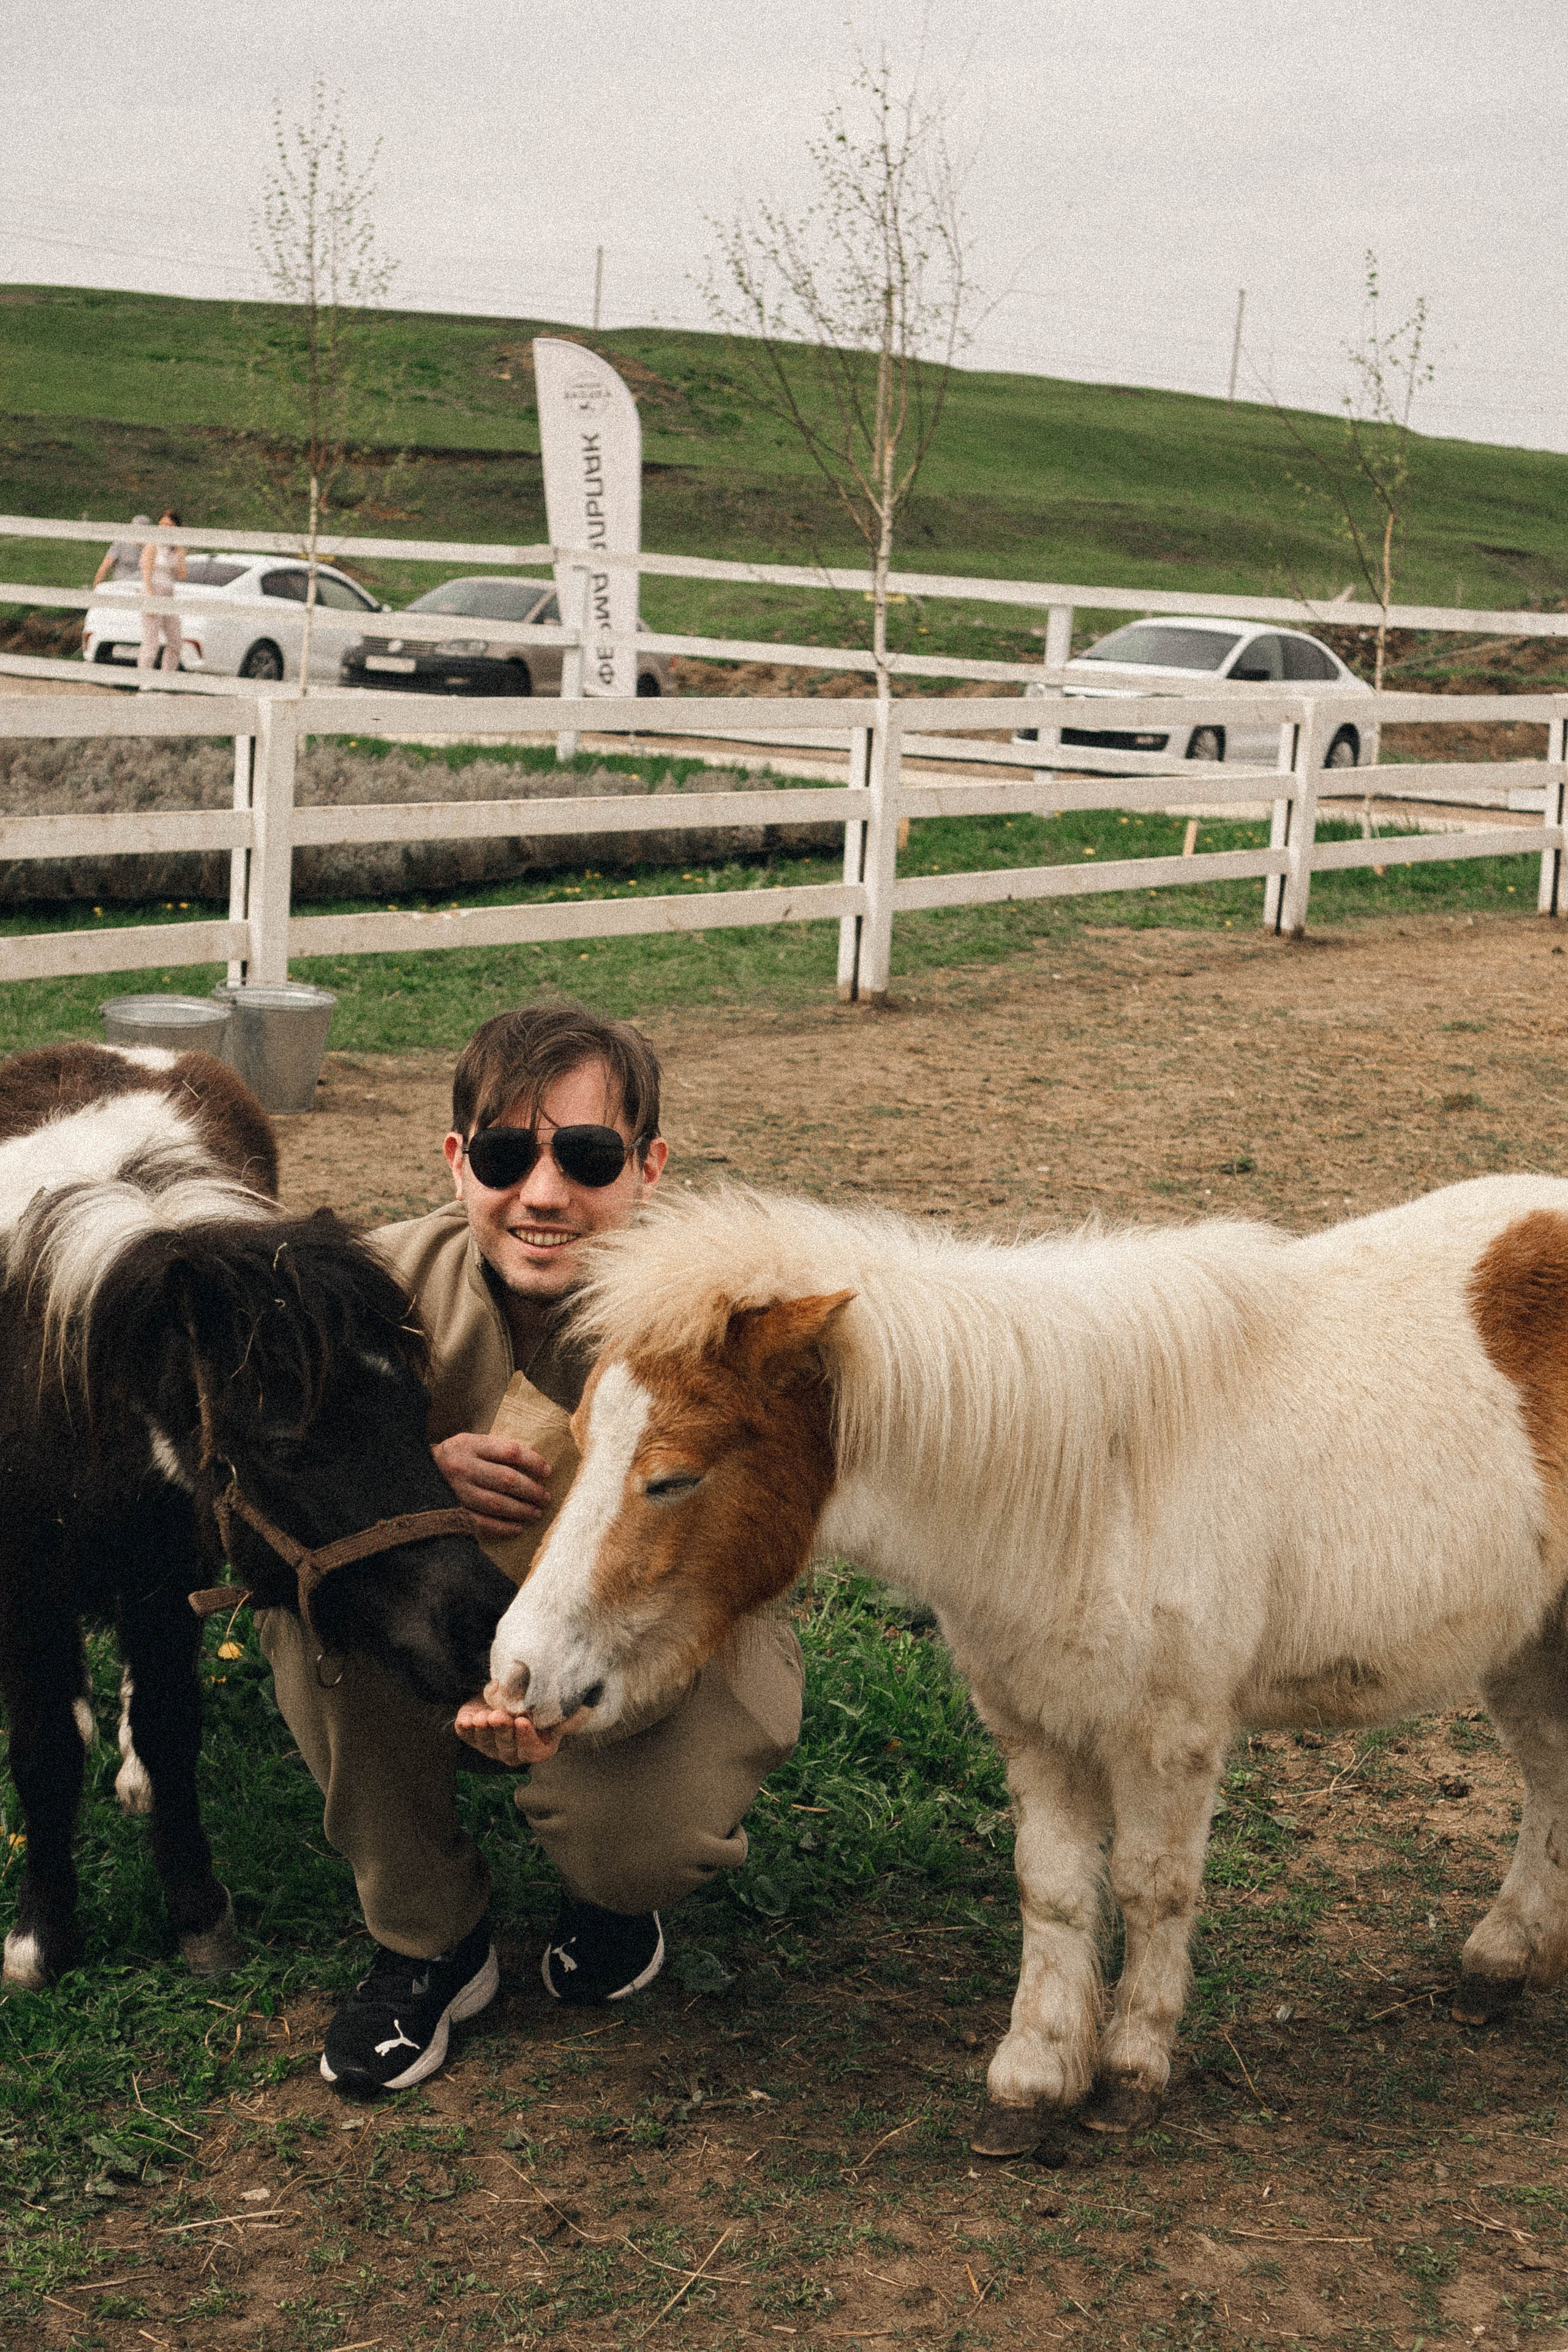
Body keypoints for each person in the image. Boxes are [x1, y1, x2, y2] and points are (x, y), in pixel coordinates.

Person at [255, 1003, 804, 2095]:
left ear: (650, 1166)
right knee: (308, 1592)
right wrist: (406, 1487)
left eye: (589, 1156)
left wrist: (573, 1703)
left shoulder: (720, 1321)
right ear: (458, 1163)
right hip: (438, 1619)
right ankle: (430, 1943)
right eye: (507, 1154)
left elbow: (730, 1564)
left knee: (641, 1841)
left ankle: (613, 1893)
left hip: (655, 1640)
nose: (545, 1195)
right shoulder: (362, 1290)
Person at [137, 509, 186, 673]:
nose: (165, 528)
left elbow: (182, 574)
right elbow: (146, 573)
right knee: (151, 641)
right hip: (153, 591)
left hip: (168, 593)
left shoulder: (176, 549)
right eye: (163, 524)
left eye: (170, 526)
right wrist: (150, 599)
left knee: (176, 641)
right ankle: (145, 681)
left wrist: (179, 551)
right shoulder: (153, 545)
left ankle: (167, 678)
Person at [91, 514, 153, 589]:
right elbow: (106, 565)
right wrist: (95, 588)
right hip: (120, 585)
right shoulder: (121, 543)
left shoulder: (152, 547)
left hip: (141, 586)